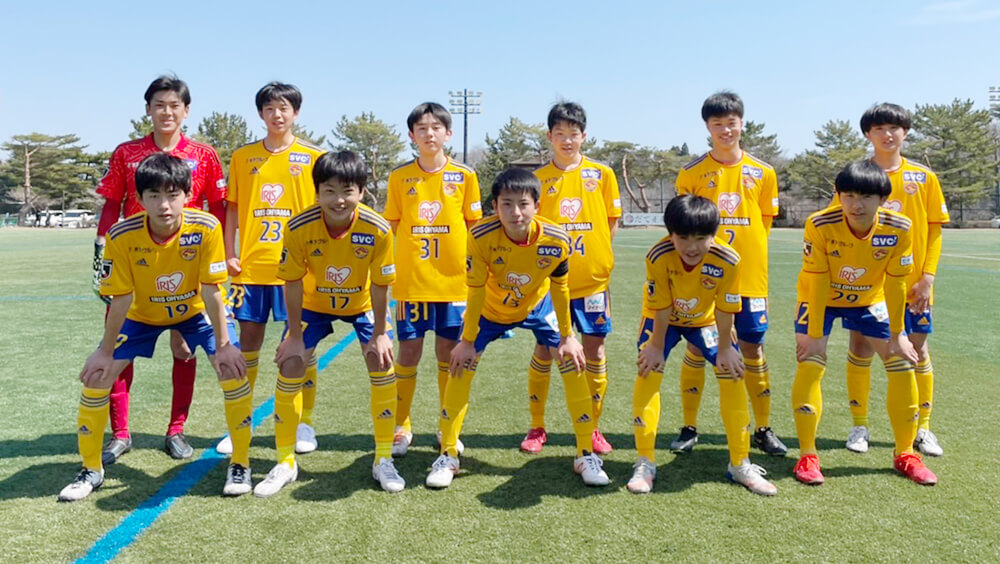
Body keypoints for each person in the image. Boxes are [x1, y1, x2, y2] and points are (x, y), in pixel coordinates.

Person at [59, 153, 248, 501]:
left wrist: (224, 345)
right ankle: (91, 469)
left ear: (188, 195)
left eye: (173, 195)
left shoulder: (207, 227)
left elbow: (212, 291)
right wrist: (104, 352)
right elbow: (121, 299)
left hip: (195, 312)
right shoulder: (121, 234)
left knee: (232, 370)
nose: (164, 205)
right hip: (142, 315)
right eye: (154, 195)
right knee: (97, 377)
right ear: (140, 198)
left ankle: (240, 463)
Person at [425, 168, 608, 489]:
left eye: (523, 204)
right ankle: (448, 453)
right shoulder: (480, 236)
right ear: (495, 206)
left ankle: (584, 453)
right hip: (490, 310)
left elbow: (560, 288)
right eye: (506, 204)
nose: (515, 212)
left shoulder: (556, 239)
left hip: (538, 306)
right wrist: (467, 340)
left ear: (537, 205)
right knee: (461, 364)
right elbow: (475, 290)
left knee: (572, 360)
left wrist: (568, 336)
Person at [92, 75, 228, 463]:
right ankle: (120, 433)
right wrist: (101, 250)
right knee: (119, 343)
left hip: (187, 263)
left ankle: (176, 430)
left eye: (174, 105)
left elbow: (218, 208)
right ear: (148, 109)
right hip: (133, 264)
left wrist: (222, 255)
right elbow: (112, 203)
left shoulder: (204, 155)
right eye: (159, 105)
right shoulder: (126, 153)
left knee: (184, 347)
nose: (167, 112)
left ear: (186, 111)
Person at [253, 151, 404, 496]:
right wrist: (293, 335)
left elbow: (381, 285)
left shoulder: (378, 229)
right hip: (313, 304)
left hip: (361, 304)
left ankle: (383, 458)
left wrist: (381, 333)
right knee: (291, 362)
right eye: (329, 191)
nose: (339, 200)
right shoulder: (298, 227)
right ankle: (285, 461)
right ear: (317, 192)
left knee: (381, 359)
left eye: (347, 191)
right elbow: (292, 282)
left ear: (361, 191)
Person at [791, 160, 937, 486]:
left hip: (870, 300)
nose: (856, 205)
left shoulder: (899, 227)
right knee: (811, 361)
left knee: (902, 361)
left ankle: (906, 454)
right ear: (839, 195)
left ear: (883, 199)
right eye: (849, 196)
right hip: (820, 298)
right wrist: (814, 335)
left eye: (866, 197)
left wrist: (898, 334)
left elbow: (896, 284)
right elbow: (817, 280)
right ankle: (807, 456)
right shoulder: (820, 223)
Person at [629, 194, 777, 496]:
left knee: (732, 373)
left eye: (700, 238)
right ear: (670, 234)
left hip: (705, 321)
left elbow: (725, 308)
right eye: (682, 237)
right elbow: (661, 306)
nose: (691, 247)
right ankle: (645, 462)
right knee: (648, 370)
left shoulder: (728, 259)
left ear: (714, 234)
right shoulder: (657, 255)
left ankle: (740, 463)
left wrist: (725, 348)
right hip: (663, 320)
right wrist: (655, 346)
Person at [671, 91, 786, 457]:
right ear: (707, 127)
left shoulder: (763, 172)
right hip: (703, 281)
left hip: (750, 279)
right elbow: (683, 228)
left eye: (731, 123)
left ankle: (762, 428)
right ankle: (689, 426)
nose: (725, 130)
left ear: (742, 124)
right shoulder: (691, 172)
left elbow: (763, 225)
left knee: (752, 349)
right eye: (717, 124)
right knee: (696, 346)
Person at [216, 82, 324, 457]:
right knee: (248, 345)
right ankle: (240, 423)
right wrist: (229, 252)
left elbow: (324, 210)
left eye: (284, 108)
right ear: (260, 113)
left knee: (302, 345)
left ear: (296, 112)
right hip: (252, 269)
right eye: (269, 108)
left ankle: (303, 422)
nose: (277, 115)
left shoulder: (314, 157)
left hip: (298, 269)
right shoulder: (243, 157)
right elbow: (232, 209)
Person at [840, 103, 950, 456]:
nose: (887, 135)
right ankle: (859, 426)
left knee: (917, 351)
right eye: (879, 128)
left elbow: (934, 232)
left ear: (905, 132)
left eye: (894, 128)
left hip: (913, 285)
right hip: (866, 286)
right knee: (860, 348)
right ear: (867, 134)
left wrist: (927, 278)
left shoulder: (923, 177)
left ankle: (923, 428)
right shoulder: (856, 176)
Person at [521, 102, 622, 455]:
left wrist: (596, 256)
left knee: (594, 350)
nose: (567, 140)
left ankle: (592, 426)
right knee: (546, 350)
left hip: (593, 283)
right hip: (550, 285)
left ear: (584, 136)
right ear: (549, 136)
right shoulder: (538, 179)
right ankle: (537, 426)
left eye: (573, 134)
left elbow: (611, 222)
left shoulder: (602, 174)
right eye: (560, 134)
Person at [383, 102, 482, 457]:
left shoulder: (465, 176)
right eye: (422, 128)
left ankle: (446, 425)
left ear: (448, 133)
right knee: (408, 352)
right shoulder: (399, 177)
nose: (429, 134)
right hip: (412, 284)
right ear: (411, 135)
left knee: (448, 354)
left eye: (436, 127)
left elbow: (475, 230)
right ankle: (401, 426)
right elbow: (391, 228)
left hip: (454, 285)